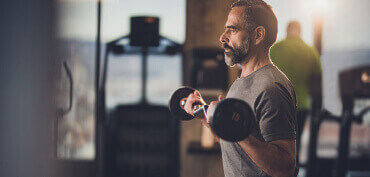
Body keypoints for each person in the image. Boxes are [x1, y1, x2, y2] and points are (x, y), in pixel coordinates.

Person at [184, 0, 298, 176]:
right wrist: (203, 114)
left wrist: (238, 131)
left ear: (258, 35)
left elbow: (285, 168)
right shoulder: (241, 81)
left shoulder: (271, 88)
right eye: (225, 29)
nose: (222, 37)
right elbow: (233, 141)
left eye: (233, 29)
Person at [270, 21, 322, 160]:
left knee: (273, 145)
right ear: (300, 31)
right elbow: (316, 85)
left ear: (287, 31)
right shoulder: (311, 52)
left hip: (276, 106)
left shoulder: (274, 49)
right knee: (294, 147)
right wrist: (318, 110)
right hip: (300, 107)